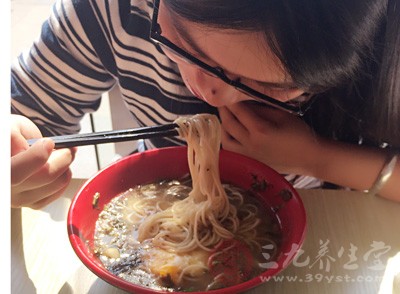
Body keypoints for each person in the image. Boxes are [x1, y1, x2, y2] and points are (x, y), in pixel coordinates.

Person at [11, 0, 400, 208]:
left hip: (330, 225)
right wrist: (13, 147)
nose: (211, 93)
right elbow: (26, 110)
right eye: (186, 46)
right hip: (152, 207)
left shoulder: (386, 42)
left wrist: (318, 159)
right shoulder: (112, 9)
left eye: (267, 84)